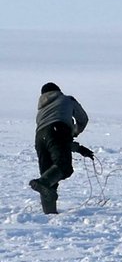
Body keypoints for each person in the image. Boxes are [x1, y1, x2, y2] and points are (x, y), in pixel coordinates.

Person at [31, 82, 94, 214]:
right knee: (63, 167)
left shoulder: (42, 111)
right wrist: (75, 131)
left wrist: (79, 149)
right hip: (58, 130)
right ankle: (42, 183)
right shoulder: (66, 99)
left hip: (39, 138)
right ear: (58, 91)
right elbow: (83, 119)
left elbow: (55, 140)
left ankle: (49, 213)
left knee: (49, 174)